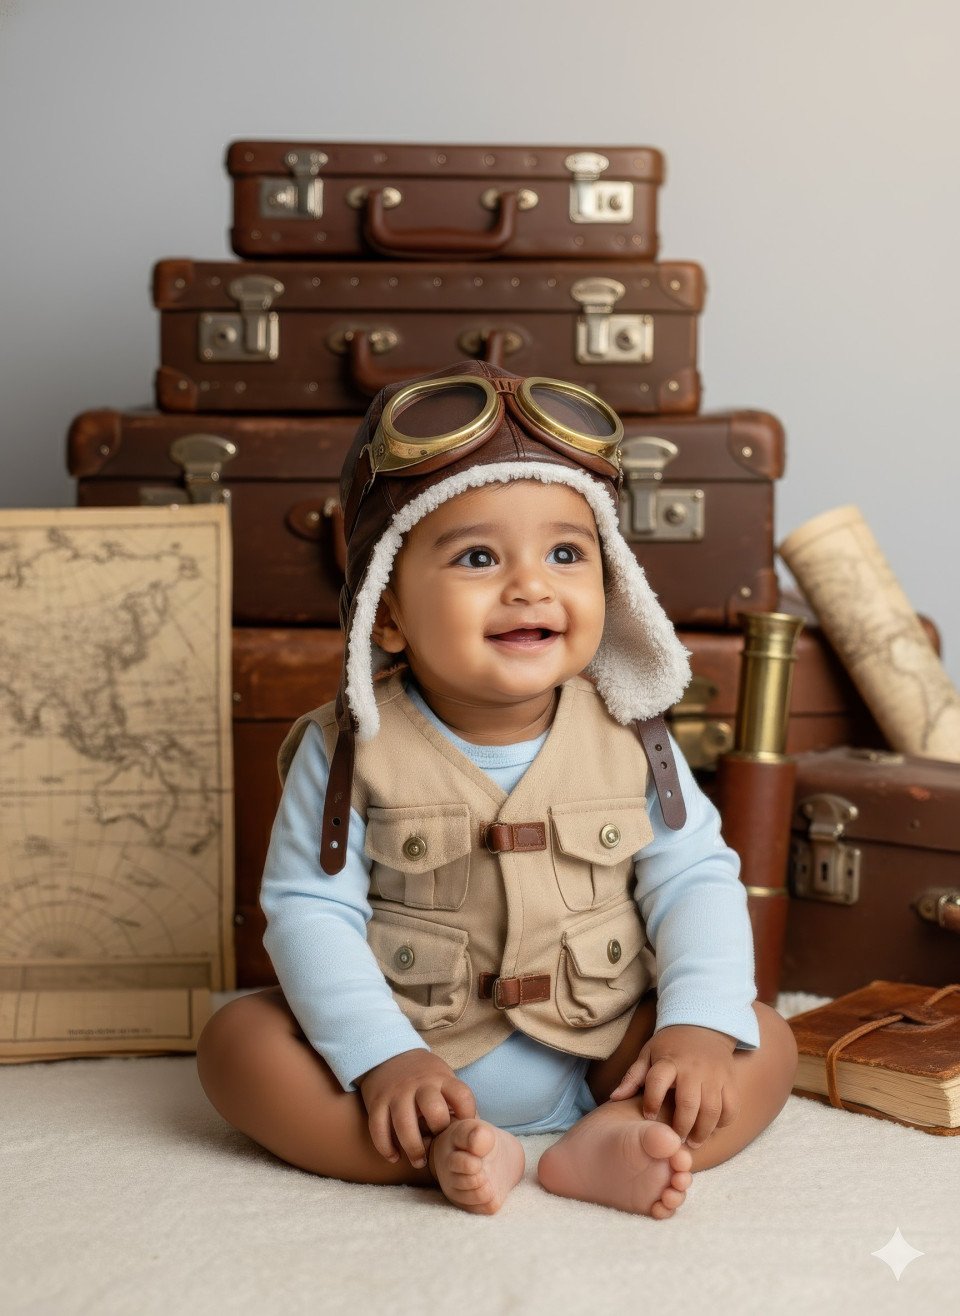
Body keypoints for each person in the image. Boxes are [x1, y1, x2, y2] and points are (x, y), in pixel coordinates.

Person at [197, 361, 798, 1220]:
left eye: (566, 553)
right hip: (419, 1052)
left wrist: (695, 1026)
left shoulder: (633, 734)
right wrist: (381, 1056)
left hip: (604, 1041)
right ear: (387, 612)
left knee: (763, 1037)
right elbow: (309, 911)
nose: (531, 585)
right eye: (478, 557)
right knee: (237, 1044)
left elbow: (694, 879)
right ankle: (441, 1154)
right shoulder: (346, 749)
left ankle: (616, 1134)